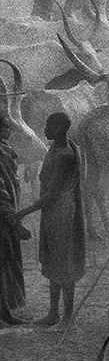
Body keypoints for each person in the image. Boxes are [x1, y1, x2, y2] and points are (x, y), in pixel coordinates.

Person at [14, 112, 86, 327]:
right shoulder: (56, 148)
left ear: (59, 129)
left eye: (48, 126)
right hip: (54, 215)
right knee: (55, 264)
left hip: (64, 216)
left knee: (66, 265)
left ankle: (67, 316)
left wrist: (22, 212)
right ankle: (54, 313)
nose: (44, 129)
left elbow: (51, 194)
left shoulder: (66, 155)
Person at [0, 104, 30, 325]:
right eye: (4, 128)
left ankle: (5, 311)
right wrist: (16, 222)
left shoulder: (4, 151)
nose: (9, 131)